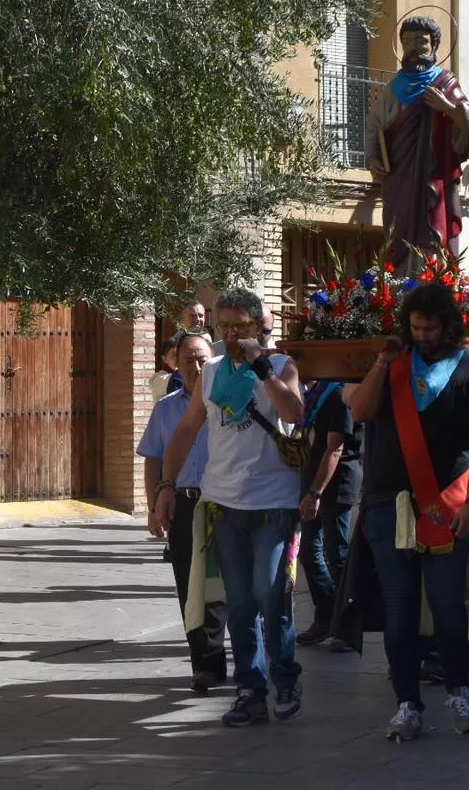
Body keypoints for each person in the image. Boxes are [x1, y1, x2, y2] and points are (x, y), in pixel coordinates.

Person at [348, 282, 469, 740]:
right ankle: (407, 704)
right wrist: (381, 361)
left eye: (429, 328)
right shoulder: (394, 366)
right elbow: (360, 410)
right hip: (385, 502)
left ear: (448, 325)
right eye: (414, 327)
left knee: (448, 605)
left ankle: (459, 690)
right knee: (398, 610)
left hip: (446, 504)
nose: (421, 336)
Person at [158, 287, 306, 728]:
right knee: (240, 603)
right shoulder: (212, 371)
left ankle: (285, 679)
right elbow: (184, 432)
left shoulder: (281, 365)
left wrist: (261, 364)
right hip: (224, 504)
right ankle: (251, 690)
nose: (231, 334)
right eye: (225, 327)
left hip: (274, 504)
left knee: (270, 595)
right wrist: (166, 486)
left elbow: (294, 412)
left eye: (239, 325)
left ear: (260, 325)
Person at [141, 332, 227, 691]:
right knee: (190, 587)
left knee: (226, 583)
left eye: (203, 358)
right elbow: (154, 459)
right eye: (188, 359)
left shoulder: (227, 403)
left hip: (224, 502)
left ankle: (247, 659)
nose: (196, 366)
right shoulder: (166, 408)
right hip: (183, 502)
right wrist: (154, 504)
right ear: (175, 363)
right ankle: (204, 664)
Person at [367, 15, 469, 266]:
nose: (414, 49)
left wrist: (446, 106)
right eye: (407, 42)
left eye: (421, 42)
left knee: (431, 228)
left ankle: (431, 273)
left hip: (433, 175)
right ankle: (398, 280)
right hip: (399, 176)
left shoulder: (445, 83)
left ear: (434, 46)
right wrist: (374, 156)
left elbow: (467, 115)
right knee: (397, 228)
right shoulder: (393, 88)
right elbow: (375, 124)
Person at [296, 379, 362, 651]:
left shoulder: (338, 394)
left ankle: (347, 627)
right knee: (309, 551)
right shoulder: (314, 392)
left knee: (338, 554)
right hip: (312, 480)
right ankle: (326, 616)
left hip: (334, 485)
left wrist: (315, 493)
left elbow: (335, 447)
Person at [150, 338, 179, 403]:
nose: (178, 358)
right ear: (164, 358)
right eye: (174, 355)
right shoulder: (156, 379)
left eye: (180, 354)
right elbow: (176, 379)